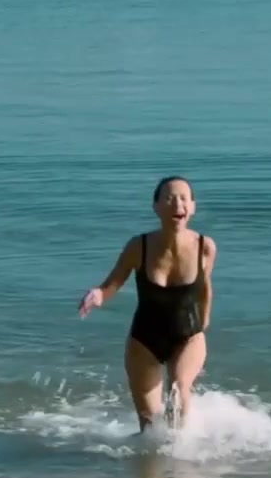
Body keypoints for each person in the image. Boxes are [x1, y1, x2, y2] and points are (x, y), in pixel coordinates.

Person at [78, 176, 216, 431]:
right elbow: (112, 284)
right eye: (169, 198)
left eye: (184, 198)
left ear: (193, 207)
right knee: (150, 428)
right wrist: (97, 295)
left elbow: (205, 286)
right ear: (156, 207)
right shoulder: (139, 246)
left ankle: (186, 456)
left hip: (188, 336)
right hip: (143, 341)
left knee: (178, 392)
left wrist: (203, 324)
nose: (178, 204)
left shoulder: (204, 247)